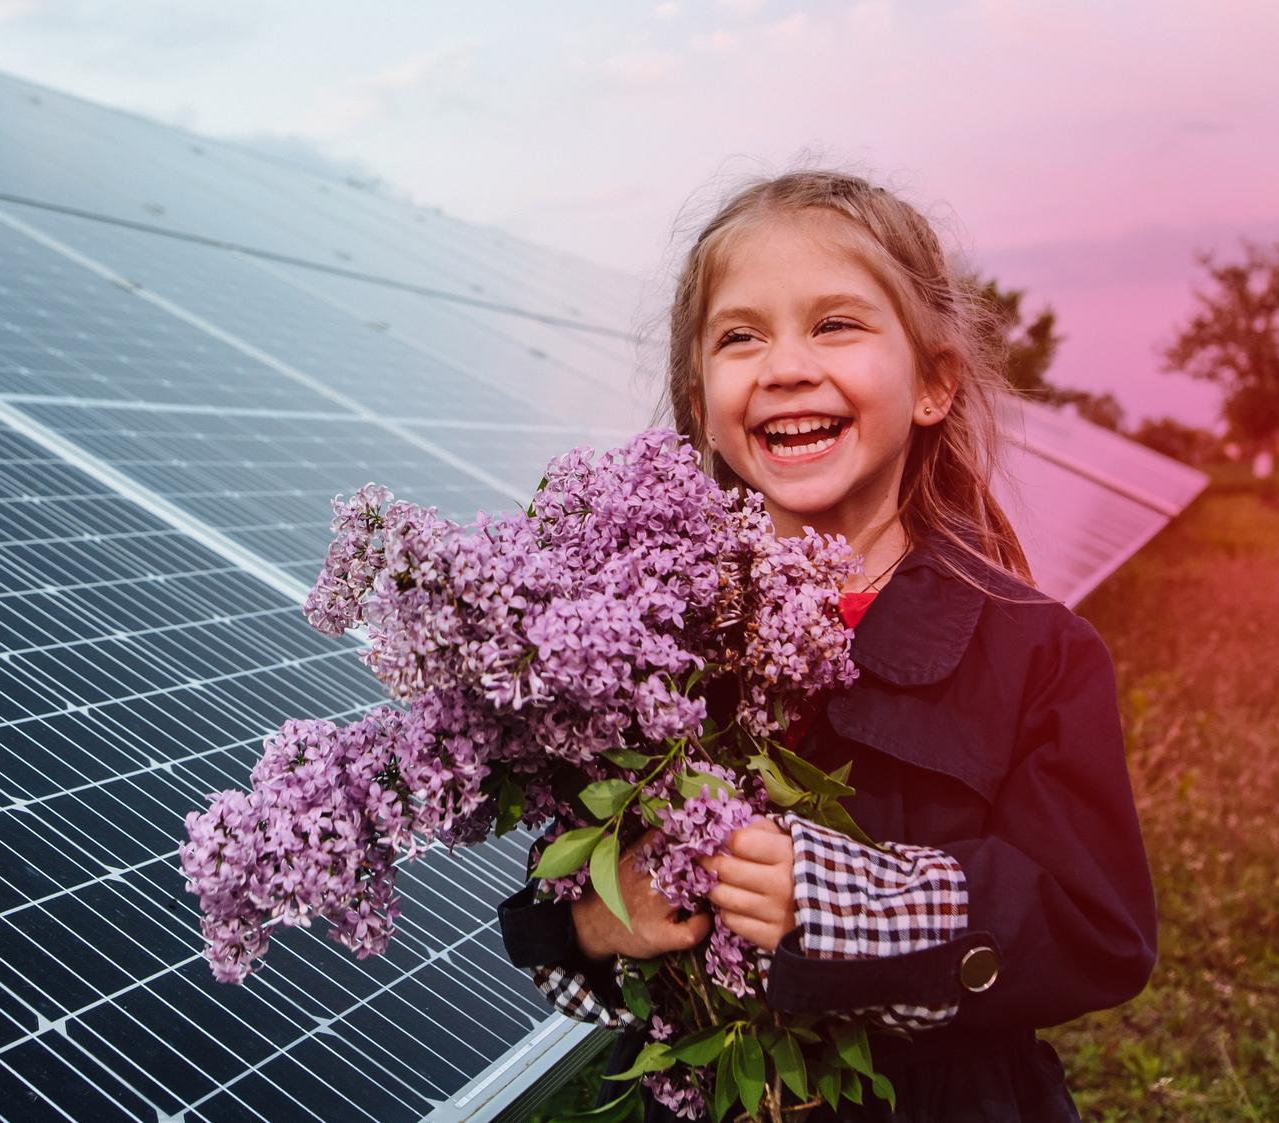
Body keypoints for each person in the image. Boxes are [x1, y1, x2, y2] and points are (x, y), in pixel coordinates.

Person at [495, 170, 1157, 1121]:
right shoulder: (645, 633)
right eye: (741, 336)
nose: (785, 367)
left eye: (835, 324)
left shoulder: (1039, 651)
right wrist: (598, 919)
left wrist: (838, 897)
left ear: (934, 383)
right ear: (700, 401)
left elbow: (1098, 932)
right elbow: (568, 873)